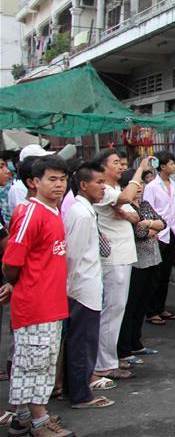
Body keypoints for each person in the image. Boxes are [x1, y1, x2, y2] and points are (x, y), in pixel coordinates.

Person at [2, 156, 74, 437]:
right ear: (33, 183)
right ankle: (40, 422)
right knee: (37, 364)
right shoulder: (31, 212)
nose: (59, 185)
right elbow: (11, 262)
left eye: (62, 179)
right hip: (36, 304)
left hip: (50, 302)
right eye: (51, 179)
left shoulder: (53, 211)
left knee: (32, 361)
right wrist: (19, 285)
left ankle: (22, 417)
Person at [93, 151, 152, 382]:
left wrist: (126, 212)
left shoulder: (115, 191)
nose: (120, 167)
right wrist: (140, 169)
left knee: (118, 309)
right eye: (115, 163)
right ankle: (104, 364)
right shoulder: (105, 191)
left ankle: (109, 359)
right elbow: (127, 200)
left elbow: (134, 217)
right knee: (112, 310)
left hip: (124, 256)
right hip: (113, 258)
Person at [63, 162, 115, 410]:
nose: (103, 187)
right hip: (82, 288)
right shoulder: (81, 214)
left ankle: (76, 387)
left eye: (104, 182)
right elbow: (72, 256)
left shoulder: (85, 210)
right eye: (98, 182)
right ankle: (80, 394)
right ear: (83, 185)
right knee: (83, 342)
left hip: (87, 285)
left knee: (83, 341)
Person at [115, 170, 164, 365]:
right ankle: (124, 348)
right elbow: (139, 232)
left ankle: (137, 342)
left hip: (152, 258)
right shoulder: (124, 207)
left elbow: (163, 222)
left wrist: (150, 224)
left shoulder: (144, 204)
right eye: (135, 185)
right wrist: (151, 227)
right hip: (135, 261)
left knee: (142, 303)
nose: (140, 188)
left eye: (141, 185)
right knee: (131, 305)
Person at [143, 151, 175, 325]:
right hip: (158, 233)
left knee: (166, 272)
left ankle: (161, 307)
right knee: (155, 275)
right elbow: (147, 209)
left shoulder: (172, 183)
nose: (174, 166)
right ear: (163, 166)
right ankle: (151, 311)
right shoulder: (152, 186)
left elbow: (173, 208)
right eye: (172, 164)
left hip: (172, 231)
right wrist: (154, 230)